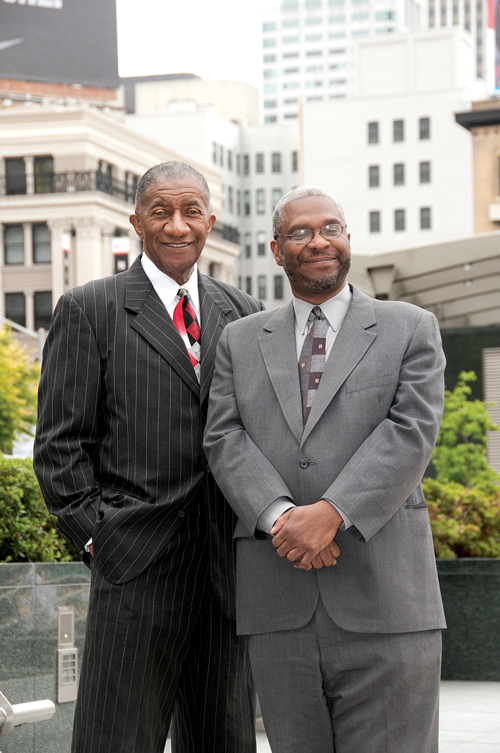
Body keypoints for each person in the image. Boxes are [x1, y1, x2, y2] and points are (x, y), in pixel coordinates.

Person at [204, 186, 447, 753]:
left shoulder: (410, 327)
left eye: (330, 228)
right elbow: (223, 436)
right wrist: (283, 519)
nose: (319, 242)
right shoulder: (240, 341)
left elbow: (411, 431)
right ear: (276, 250)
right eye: (300, 233)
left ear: (347, 238)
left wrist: (332, 513)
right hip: (278, 602)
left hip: (386, 599)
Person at [34, 161, 262, 753]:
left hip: (227, 572)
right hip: (134, 565)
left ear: (210, 222)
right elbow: (60, 445)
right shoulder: (89, 308)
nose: (177, 225)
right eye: (161, 212)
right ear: (136, 222)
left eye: (191, 212)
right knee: (116, 738)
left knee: (224, 738)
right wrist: (99, 538)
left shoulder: (246, 314)